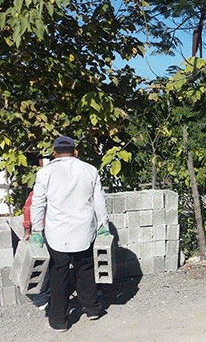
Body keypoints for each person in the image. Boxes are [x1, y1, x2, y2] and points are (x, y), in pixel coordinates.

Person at [30, 136, 110, 332]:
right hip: (84, 231)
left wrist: (37, 229)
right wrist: (103, 224)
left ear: (55, 152)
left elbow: (38, 203)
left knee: (59, 273)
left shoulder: (45, 173)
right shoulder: (90, 170)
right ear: (75, 151)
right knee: (85, 269)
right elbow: (99, 200)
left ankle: (59, 321)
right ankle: (92, 309)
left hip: (57, 233)